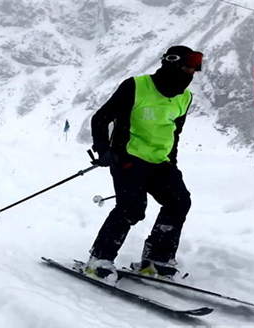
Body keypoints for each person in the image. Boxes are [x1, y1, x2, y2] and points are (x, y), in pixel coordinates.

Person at [85, 45, 203, 282]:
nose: (191, 73)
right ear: (172, 64)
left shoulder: (185, 97)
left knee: (179, 202)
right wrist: (104, 150)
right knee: (131, 208)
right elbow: (101, 118)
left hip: (161, 162)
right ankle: (99, 259)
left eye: (194, 69)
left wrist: (171, 160)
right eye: (188, 67)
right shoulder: (136, 87)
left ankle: (156, 260)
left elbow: (174, 132)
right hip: (129, 159)